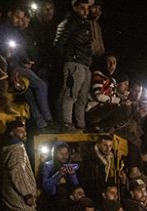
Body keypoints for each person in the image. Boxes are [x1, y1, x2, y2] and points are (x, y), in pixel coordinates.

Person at [0, 119, 39, 211]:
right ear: (12, 132)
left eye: (24, 131)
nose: (24, 133)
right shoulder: (16, 149)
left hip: (12, 194)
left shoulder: (14, 147)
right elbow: (17, 173)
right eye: (20, 131)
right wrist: (27, 194)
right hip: (18, 196)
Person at [53, 0, 94, 130]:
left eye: (87, 9)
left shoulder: (84, 24)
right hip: (74, 63)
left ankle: (80, 124)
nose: (85, 11)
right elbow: (59, 43)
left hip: (84, 63)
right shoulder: (69, 22)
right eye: (82, 8)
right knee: (71, 94)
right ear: (75, 8)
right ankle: (67, 122)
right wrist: (68, 59)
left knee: (82, 97)